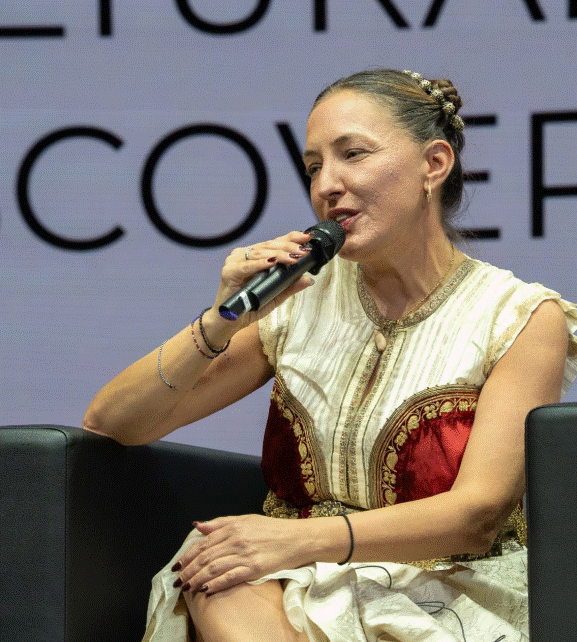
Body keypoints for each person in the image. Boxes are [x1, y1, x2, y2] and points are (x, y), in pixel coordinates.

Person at [83, 69, 577, 642]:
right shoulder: (296, 297)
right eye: (314, 167)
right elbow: (113, 422)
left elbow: (477, 515)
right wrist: (221, 319)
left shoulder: (520, 316)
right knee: (215, 573)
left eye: (353, 155)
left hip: (451, 594)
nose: (327, 185)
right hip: (294, 584)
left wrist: (290, 540)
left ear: (434, 164)